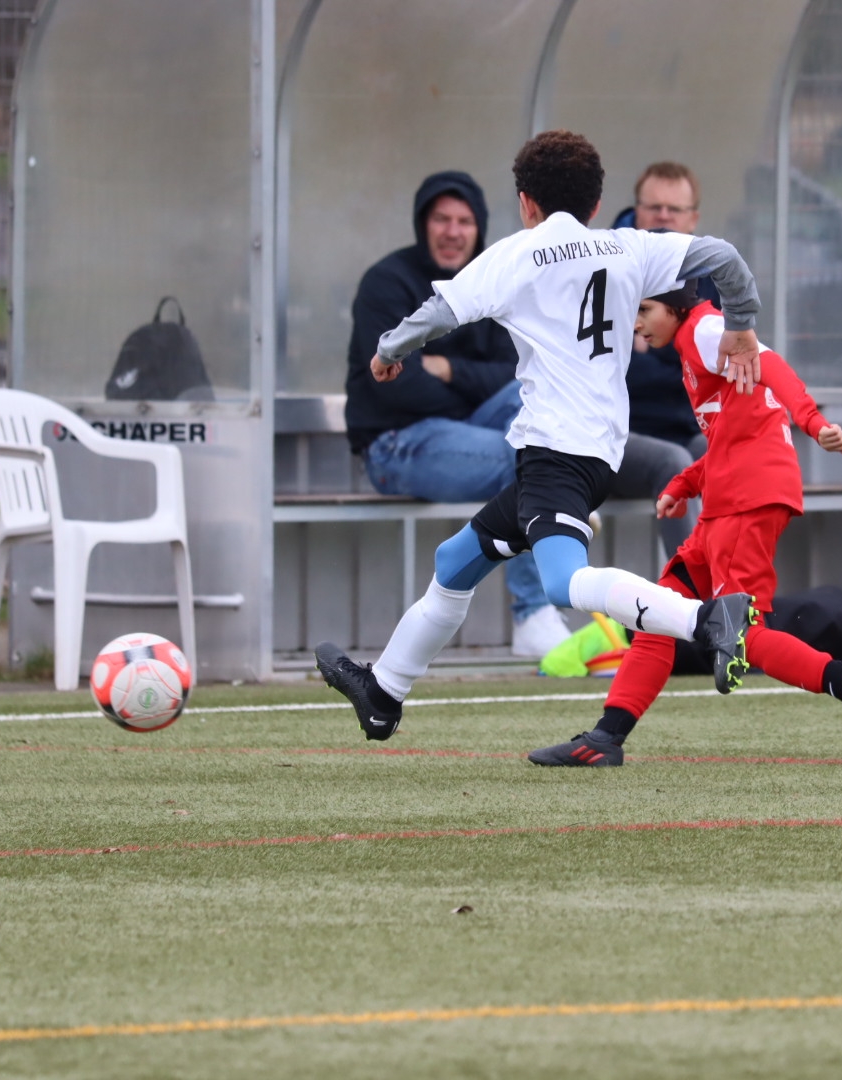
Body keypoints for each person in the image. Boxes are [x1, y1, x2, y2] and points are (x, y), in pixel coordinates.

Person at [316, 129, 765, 742]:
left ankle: (709, 620)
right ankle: (383, 692)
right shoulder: (629, 247)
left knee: (561, 582)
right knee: (455, 563)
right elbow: (725, 259)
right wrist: (741, 325)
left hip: (559, 451)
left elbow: (439, 312)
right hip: (589, 450)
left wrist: (388, 351)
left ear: (526, 202)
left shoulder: (519, 254)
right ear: (596, 204)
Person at [527, 289, 842, 767]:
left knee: (741, 632)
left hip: (746, 499)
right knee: (656, 613)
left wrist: (812, 421)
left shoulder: (704, 330)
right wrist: (685, 483)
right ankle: (606, 737)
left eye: (644, 310)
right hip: (729, 500)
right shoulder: (697, 343)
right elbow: (737, 433)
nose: (636, 323)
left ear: (677, 305)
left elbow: (772, 365)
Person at [344, 170, 569, 658]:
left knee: (533, 405)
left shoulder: (490, 278)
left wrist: (446, 370)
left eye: (464, 221)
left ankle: (558, 503)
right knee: (527, 461)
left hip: (474, 428)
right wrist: (467, 390)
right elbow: (395, 386)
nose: (452, 231)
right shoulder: (387, 282)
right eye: (441, 219)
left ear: (479, 227)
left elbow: (519, 372)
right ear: (422, 223)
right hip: (396, 442)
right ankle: (533, 612)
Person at [605, 163, 715, 556]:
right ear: (636, 212)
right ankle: (691, 588)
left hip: (682, 427)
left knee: (725, 450)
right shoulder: (606, 272)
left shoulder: (712, 278)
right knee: (675, 462)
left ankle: (733, 579)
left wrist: (650, 354)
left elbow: (713, 375)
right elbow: (614, 374)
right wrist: (675, 355)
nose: (663, 218)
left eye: (674, 210)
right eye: (654, 208)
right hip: (612, 437)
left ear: (693, 219)